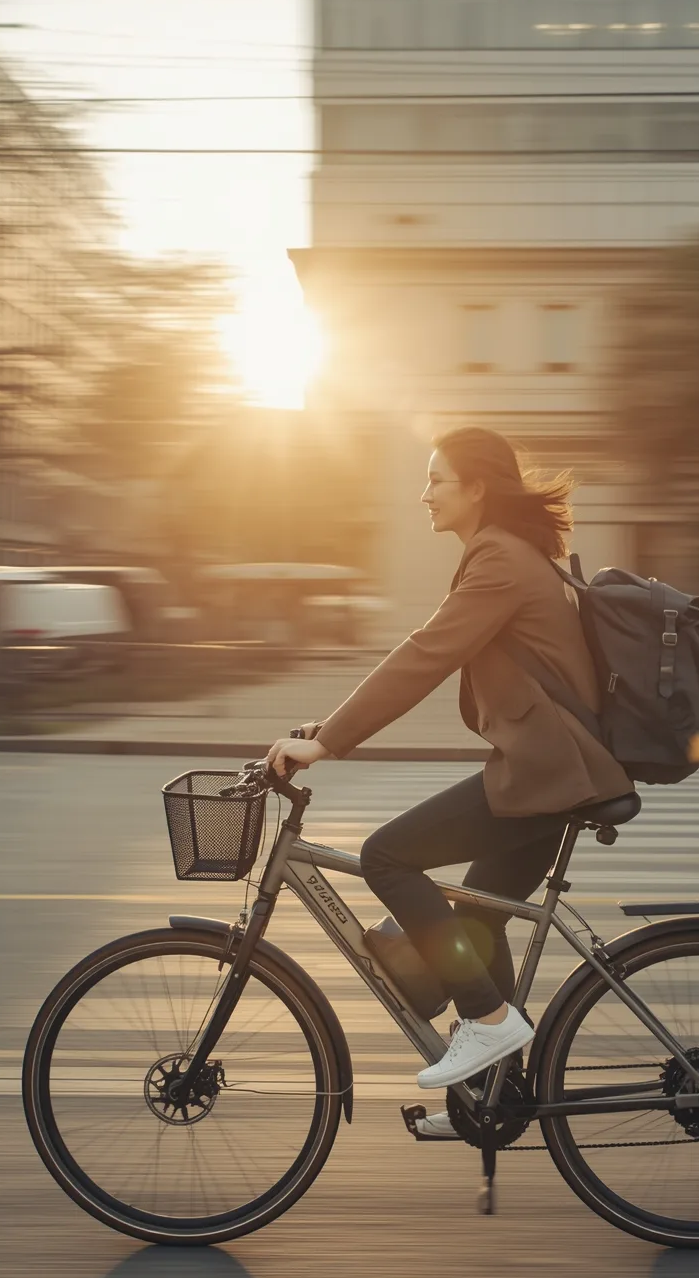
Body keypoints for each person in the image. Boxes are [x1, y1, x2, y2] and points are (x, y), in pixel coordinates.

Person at [265, 427, 633, 1136]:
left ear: (476, 489)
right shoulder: (505, 554)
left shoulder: (497, 557)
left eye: (437, 479)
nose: (423, 492)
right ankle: (492, 1098)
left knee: (386, 856)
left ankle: (489, 1024)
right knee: (482, 913)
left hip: (547, 774)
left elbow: (424, 654)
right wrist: (323, 730)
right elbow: (429, 655)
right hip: (549, 769)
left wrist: (332, 743)